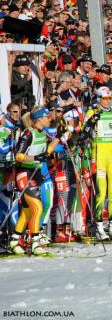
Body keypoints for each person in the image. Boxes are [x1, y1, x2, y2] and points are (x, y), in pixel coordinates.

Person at [8, 106, 59, 255]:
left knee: (27, 211)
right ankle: (35, 242)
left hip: (35, 174)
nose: (49, 119)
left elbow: (47, 152)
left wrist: (58, 138)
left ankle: (14, 240)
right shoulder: (28, 133)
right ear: (39, 119)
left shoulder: (41, 132)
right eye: (47, 117)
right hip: (24, 173)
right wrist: (36, 158)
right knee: (37, 207)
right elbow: (19, 156)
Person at [83, 86, 112, 240]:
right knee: (101, 193)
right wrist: (91, 159)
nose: (108, 101)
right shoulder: (92, 112)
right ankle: (99, 228)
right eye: (105, 98)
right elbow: (85, 132)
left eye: (109, 98)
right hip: (99, 155)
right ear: (99, 98)